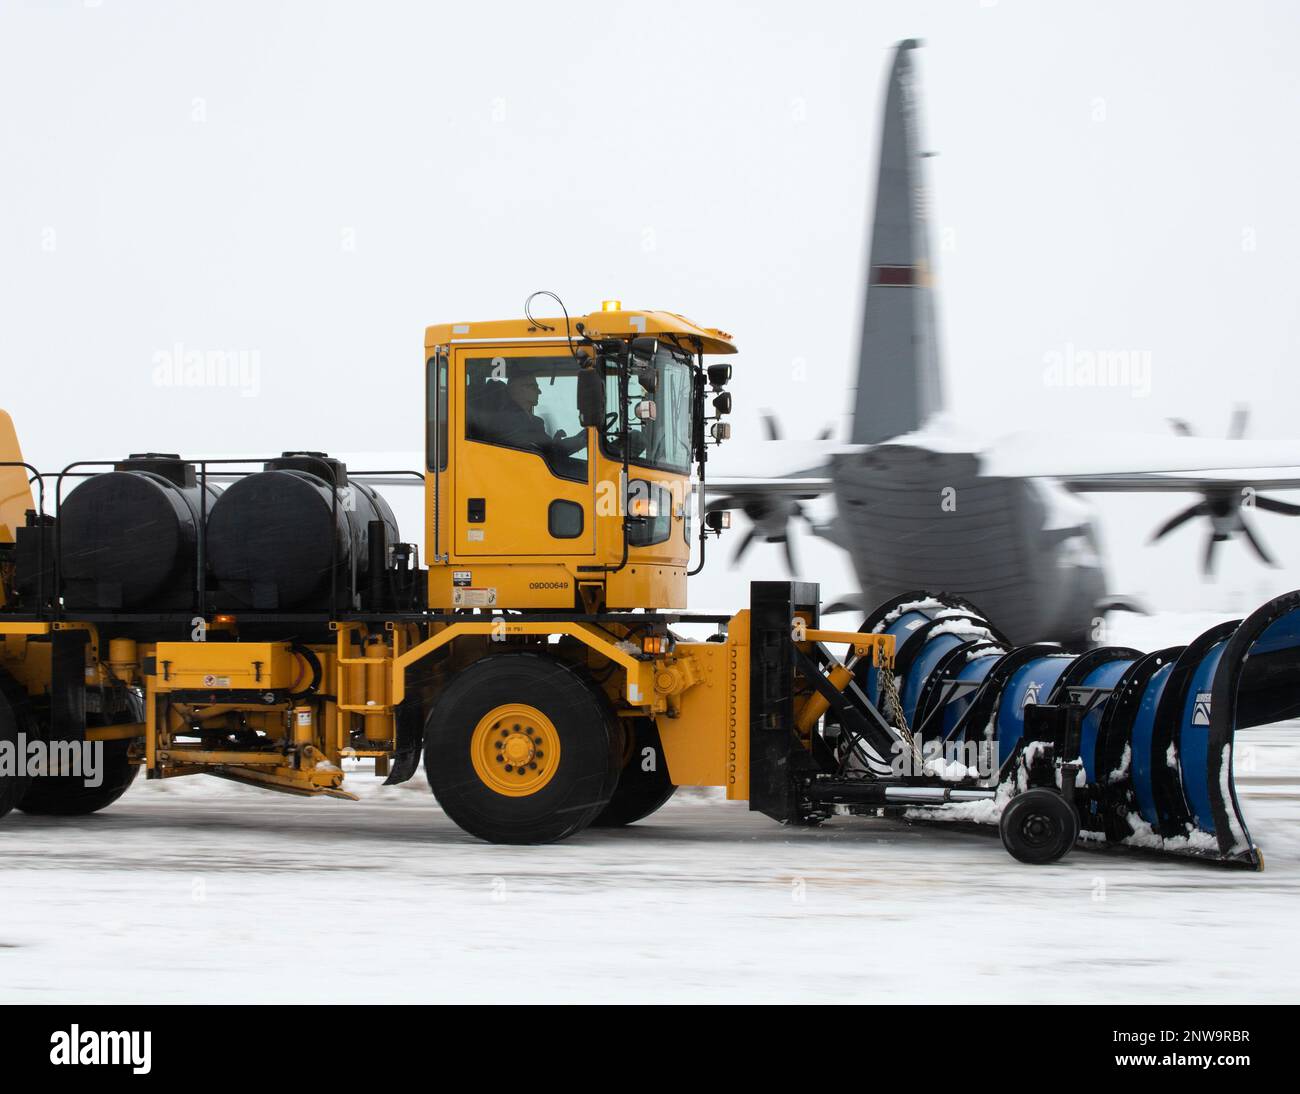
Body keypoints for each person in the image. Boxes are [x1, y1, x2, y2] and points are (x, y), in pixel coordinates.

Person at [497, 368, 588, 457]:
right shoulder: (507, 421)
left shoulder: (536, 421)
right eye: (533, 386)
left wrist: (578, 440)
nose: (539, 391)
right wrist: (578, 442)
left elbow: (550, 450)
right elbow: (543, 453)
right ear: (517, 390)